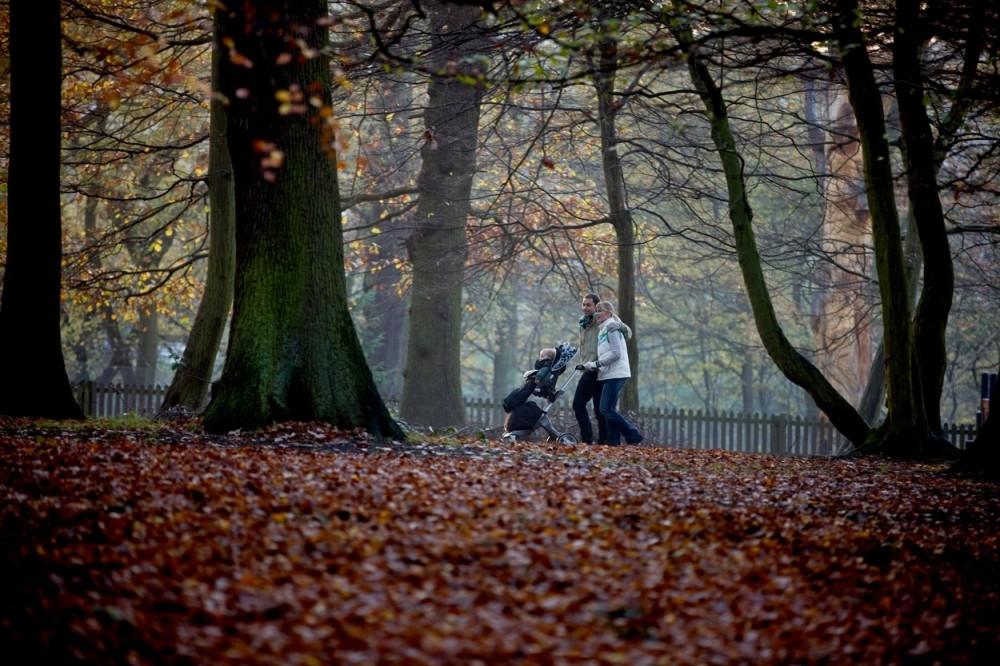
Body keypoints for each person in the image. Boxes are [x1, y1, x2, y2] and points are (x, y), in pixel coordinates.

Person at [583, 301, 643, 446]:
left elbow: (616, 354)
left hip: (617, 374)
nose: (597, 313)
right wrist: (592, 367)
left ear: (609, 313)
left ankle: (633, 434)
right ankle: (613, 443)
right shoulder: (603, 330)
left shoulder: (611, 328)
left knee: (605, 409)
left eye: (600, 311)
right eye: (596, 311)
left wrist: (596, 364)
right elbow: (607, 354)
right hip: (609, 373)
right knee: (609, 410)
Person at [572, 293, 607, 445]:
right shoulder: (583, 323)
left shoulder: (601, 320)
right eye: (583, 304)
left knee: (600, 410)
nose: (585, 307)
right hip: (587, 370)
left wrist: (618, 325)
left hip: (599, 371)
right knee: (578, 404)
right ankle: (587, 439)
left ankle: (604, 441)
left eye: (588, 305)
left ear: (596, 307)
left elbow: (627, 332)